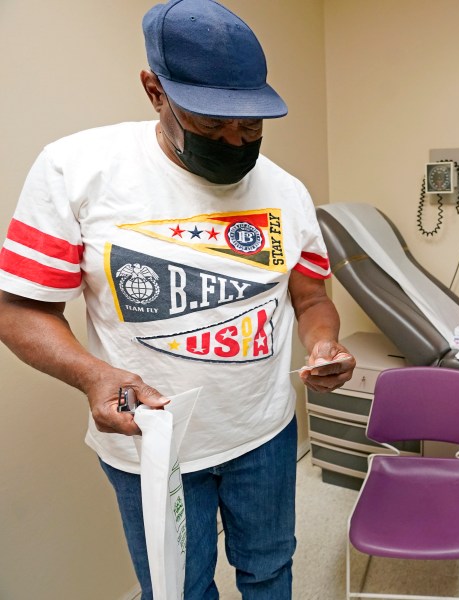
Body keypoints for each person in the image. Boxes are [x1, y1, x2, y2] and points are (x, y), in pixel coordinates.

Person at [0, 0, 355, 597]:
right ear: (154, 91)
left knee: (270, 569)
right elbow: (19, 311)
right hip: (151, 445)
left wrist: (324, 343)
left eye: (250, 127)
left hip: (263, 434)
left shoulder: (286, 191)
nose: (235, 141)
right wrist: (92, 375)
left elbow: (312, 297)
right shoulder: (78, 170)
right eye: (213, 124)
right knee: (177, 590)